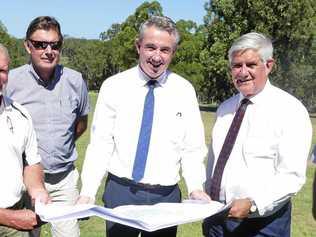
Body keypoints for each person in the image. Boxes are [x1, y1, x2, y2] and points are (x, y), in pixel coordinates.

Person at [77, 16, 210, 237]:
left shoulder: (184, 90)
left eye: (165, 50)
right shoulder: (113, 86)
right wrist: (88, 192)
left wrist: (196, 187)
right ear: (138, 46)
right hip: (121, 192)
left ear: (173, 53)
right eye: (150, 47)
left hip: (166, 197)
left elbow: (192, 147)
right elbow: (100, 145)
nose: (157, 57)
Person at [203, 32, 312, 237]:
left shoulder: (290, 111)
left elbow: (291, 176)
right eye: (237, 66)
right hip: (216, 219)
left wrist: (253, 204)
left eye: (250, 65)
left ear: (268, 65)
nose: (242, 73)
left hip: (262, 225)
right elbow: (214, 161)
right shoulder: (225, 109)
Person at [6, 16, 90, 237]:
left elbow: (81, 124)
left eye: (55, 44)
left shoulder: (75, 81)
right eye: (40, 44)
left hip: (64, 180)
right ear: (27, 45)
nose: (48, 51)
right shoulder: (10, 82)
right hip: (23, 182)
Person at [0, 44, 49, 236]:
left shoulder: (20, 114)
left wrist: (37, 190)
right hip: (11, 218)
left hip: (14, 220)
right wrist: (7, 217)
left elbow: (31, 162)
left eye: (3, 70)